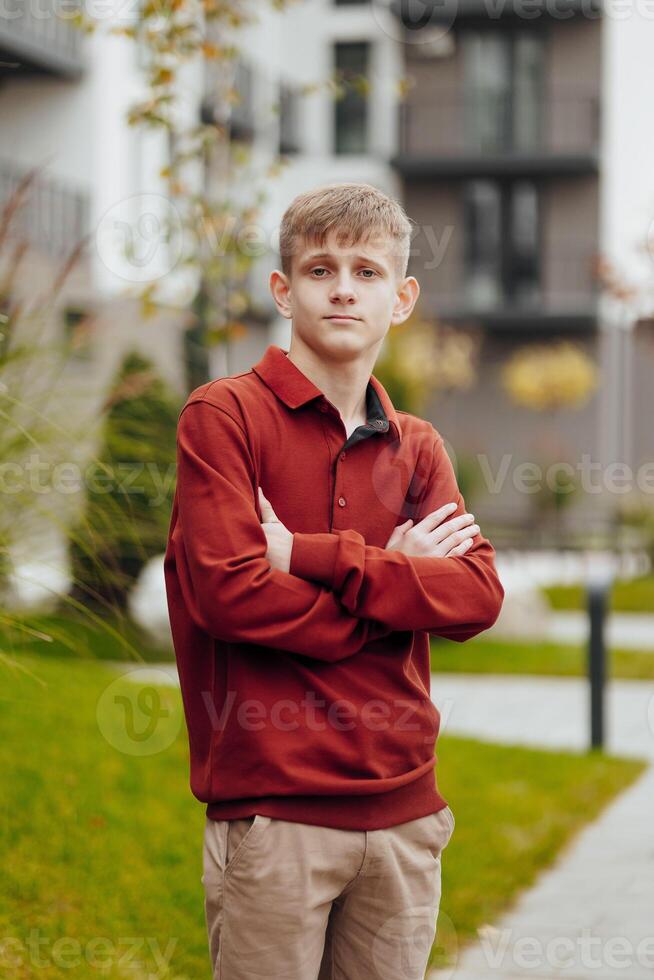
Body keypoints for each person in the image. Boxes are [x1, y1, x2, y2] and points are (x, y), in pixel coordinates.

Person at [163, 182, 504, 980]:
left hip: (405, 817)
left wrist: (314, 559)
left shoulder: (417, 446)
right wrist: (396, 584)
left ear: (403, 298)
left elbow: (476, 599)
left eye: (368, 271)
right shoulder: (224, 418)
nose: (344, 288)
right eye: (320, 270)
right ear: (282, 290)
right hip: (274, 820)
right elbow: (229, 594)